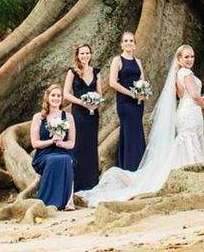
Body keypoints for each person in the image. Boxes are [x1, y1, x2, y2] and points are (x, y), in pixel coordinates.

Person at [77, 43, 204, 206]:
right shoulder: (187, 73)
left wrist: (201, 107)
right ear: (179, 59)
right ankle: (194, 175)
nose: (190, 59)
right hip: (190, 113)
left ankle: (187, 173)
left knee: (185, 143)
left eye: (192, 56)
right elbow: (195, 95)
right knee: (190, 143)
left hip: (185, 110)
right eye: (186, 57)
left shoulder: (178, 73)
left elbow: (183, 96)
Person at [30, 83, 75, 210]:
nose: (56, 98)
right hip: (44, 154)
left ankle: (68, 202)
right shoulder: (38, 117)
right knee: (53, 160)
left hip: (64, 152)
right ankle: (48, 201)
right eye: (53, 95)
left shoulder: (68, 117)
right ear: (47, 97)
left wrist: (61, 143)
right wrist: (51, 141)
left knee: (65, 159)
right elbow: (35, 143)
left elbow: (72, 143)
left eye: (59, 96)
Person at [63, 43, 101, 191]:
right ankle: (76, 183)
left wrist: (95, 104)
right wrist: (82, 103)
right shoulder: (72, 72)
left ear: (91, 55)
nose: (85, 56)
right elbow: (66, 93)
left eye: (87, 53)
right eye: (82, 53)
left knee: (91, 146)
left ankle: (91, 183)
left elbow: (99, 94)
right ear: (77, 56)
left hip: (92, 114)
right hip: (78, 114)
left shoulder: (96, 72)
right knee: (78, 145)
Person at [109, 31, 147, 171]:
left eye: (131, 41)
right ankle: (130, 168)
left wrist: (143, 93)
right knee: (130, 132)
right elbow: (112, 83)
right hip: (125, 102)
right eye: (126, 41)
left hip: (138, 103)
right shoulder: (117, 60)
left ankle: (137, 166)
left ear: (135, 45)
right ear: (121, 44)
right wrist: (132, 94)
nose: (129, 43)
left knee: (137, 131)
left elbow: (142, 80)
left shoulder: (138, 61)